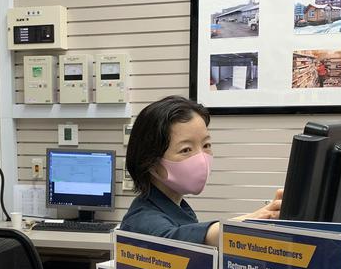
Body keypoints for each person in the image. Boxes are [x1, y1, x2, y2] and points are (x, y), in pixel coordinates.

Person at [121, 96, 282, 247]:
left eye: (206, 145)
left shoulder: (180, 210)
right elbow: (175, 241)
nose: (201, 158)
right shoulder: (141, 220)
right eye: (186, 149)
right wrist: (256, 219)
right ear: (151, 162)